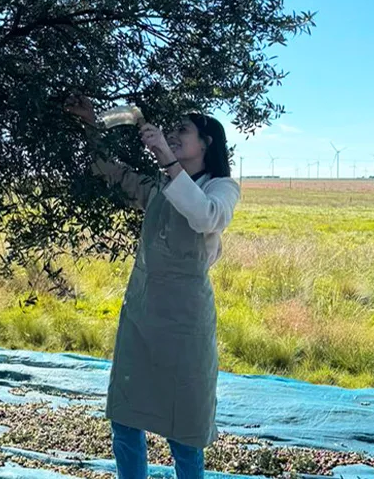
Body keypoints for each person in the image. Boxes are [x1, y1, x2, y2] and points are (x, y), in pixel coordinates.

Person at [65, 95, 240, 479]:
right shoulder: (159, 186)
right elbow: (111, 172)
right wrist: (92, 127)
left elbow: (205, 217)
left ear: (206, 143)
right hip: (142, 313)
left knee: (185, 428)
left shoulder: (223, 188)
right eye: (171, 131)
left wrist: (165, 154)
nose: (174, 135)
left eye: (183, 131)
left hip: (185, 322)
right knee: (126, 416)